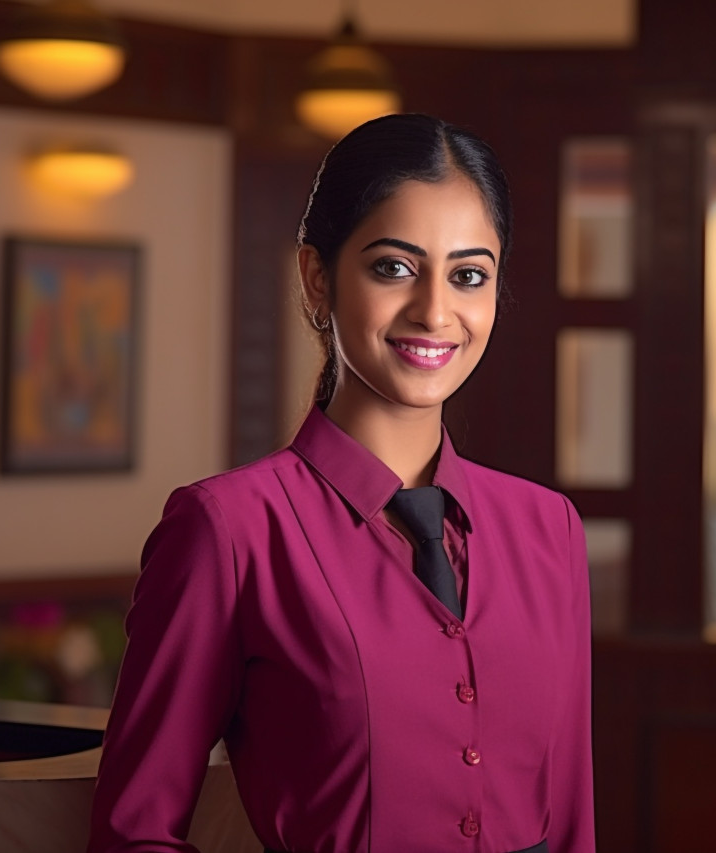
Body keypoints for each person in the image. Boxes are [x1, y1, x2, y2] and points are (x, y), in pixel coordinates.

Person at [88, 114, 594, 853]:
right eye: (393, 267)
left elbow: (574, 818)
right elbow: (134, 833)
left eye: (469, 274)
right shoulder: (227, 530)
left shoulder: (550, 528)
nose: (434, 311)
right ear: (317, 278)